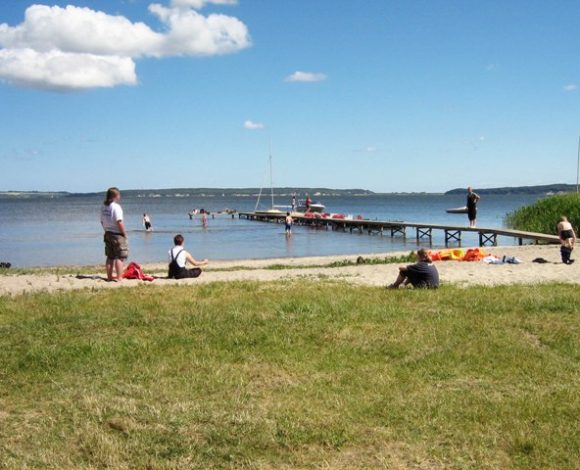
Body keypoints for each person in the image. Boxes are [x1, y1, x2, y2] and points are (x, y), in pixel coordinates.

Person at [100, 187, 128, 282]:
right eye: (119, 195)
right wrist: (124, 233)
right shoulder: (116, 207)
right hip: (117, 234)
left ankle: (109, 277)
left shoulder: (104, 206)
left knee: (110, 257)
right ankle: (119, 277)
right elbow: (119, 222)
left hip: (107, 233)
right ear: (115, 196)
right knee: (120, 257)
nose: (120, 197)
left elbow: (102, 221)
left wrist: (106, 230)